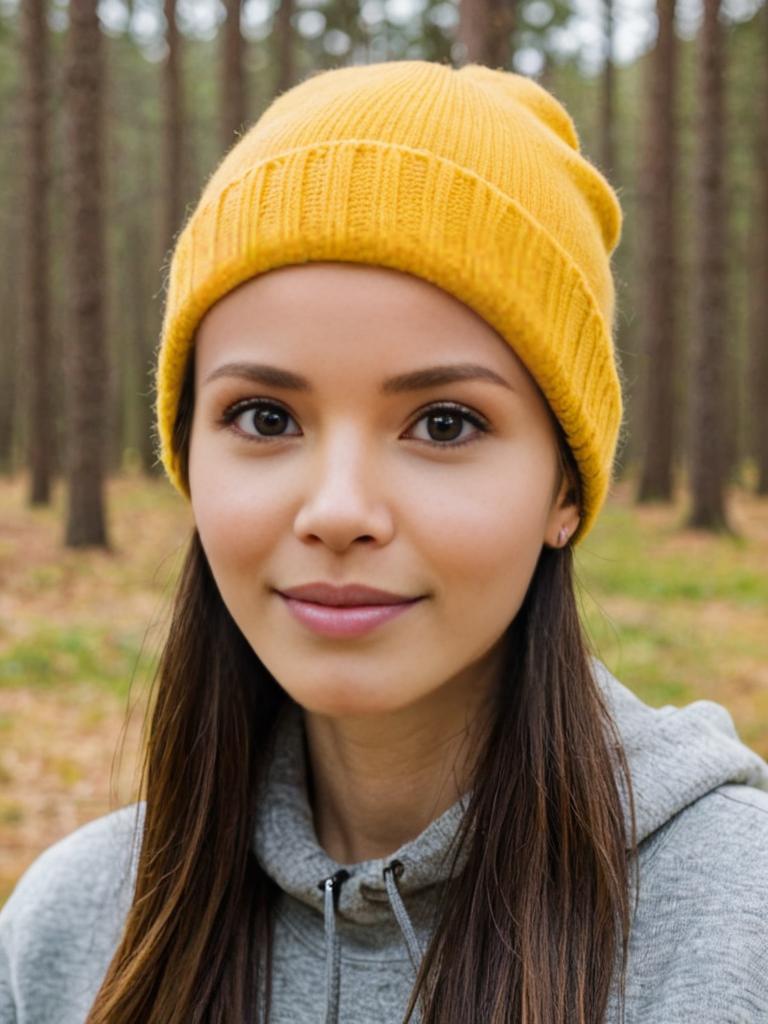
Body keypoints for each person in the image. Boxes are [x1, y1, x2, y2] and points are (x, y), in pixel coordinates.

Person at [1, 58, 767, 1024]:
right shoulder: (73, 930)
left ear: (564, 488)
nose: (338, 508)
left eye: (444, 423)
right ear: (189, 452)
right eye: (267, 417)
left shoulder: (737, 927)